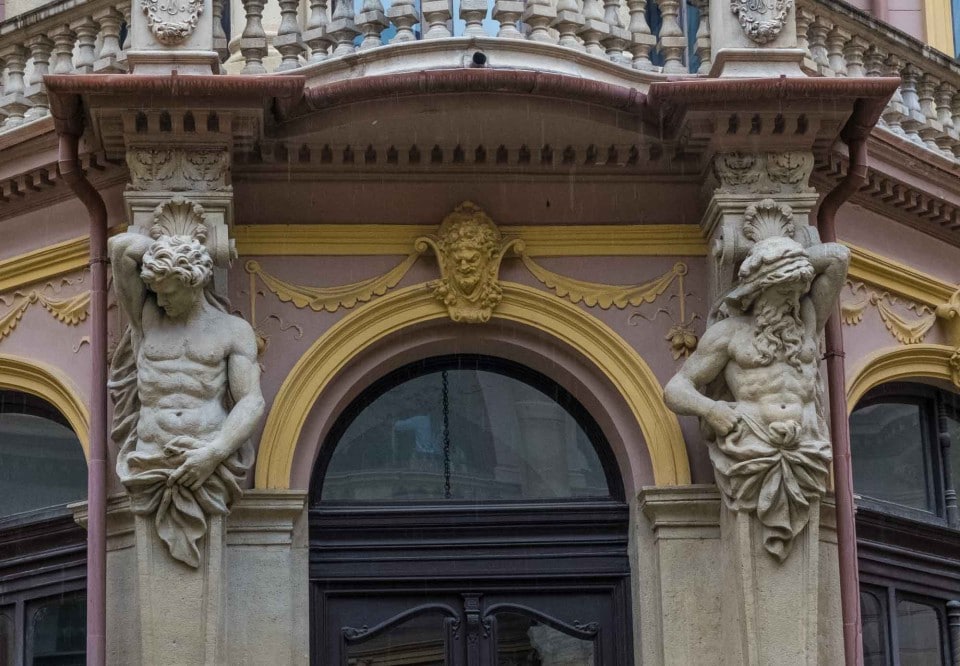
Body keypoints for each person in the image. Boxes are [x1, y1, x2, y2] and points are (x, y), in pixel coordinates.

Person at [664, 235, 848, 560]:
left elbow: (837, 257)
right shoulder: (730, 334)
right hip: (751, 443)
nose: (793, 297)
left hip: (806, 445)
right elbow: (676, 388)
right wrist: (710, 409)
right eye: (783, 288)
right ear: (758, 291)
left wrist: (787, 258)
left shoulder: (806, 325)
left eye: (797, 288)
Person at [109, 227, 264, 567]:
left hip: (206, 454)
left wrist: (214, 453)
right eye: (155, 292)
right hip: (150, 455)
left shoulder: (232, 331)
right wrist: (171, 251)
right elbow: (120, 248)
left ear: (193, 285)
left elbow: (251, 400)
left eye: (168, 293)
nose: (160, 301)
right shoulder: (146, 318)